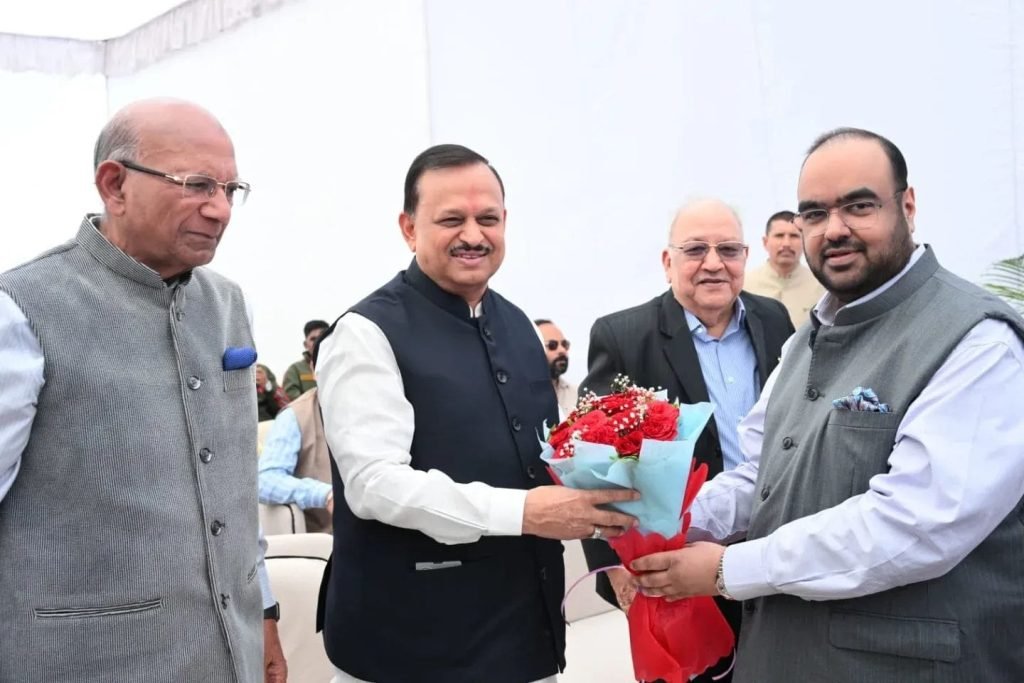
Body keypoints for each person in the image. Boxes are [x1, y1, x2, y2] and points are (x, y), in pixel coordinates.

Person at [629, 129, 1024, 682]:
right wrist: (656, 518)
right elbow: (758, 477)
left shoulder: (977, 341)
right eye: (814, 213)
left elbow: (913, 525)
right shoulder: (805, 340)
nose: (834, 229)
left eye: (858, 206)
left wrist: (726, 568)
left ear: (908, 206)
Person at [315, 143, 639, 683]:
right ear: (409, 228)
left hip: (525, 634)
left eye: (487, 219)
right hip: (408, 646)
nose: (473, 235)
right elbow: (374, 485)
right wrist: (523, 513)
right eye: (451, 220)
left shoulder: (518, 325)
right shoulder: (366, 333)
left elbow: (542, 459)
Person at [0, 99, 285, 682]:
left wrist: (264, 611)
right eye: (198, 185)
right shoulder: (21, 310)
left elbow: (233, 487)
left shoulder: (229, 304)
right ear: (115, 185)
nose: (220, 209)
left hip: (228, 656)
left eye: (231, 189)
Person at [579, 198, 793, 682]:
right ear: (667, 261)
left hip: (771, 555)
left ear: (745, 257)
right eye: (696, 249)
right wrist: (614, 569)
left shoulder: (775, 320)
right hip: (677, 569)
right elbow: (590, 457)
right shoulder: (623, 335)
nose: (714, 263)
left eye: (728, 249)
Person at [259, 353, 333, 532]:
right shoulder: (295, 415)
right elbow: (265, 481)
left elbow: (275, 394)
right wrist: (326, 495)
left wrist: (267, 385)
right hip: (329, 536)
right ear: (314, 368)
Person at [744, 210, 824, 327]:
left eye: (794, 236)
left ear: (804, 240)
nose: (786, 243)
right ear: (765, 242)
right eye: (779, 236)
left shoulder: (821, 286)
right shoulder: (745, 285)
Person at [534, 318, 577, 417]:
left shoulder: (578, 394)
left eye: (564, 344)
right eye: (552, 345)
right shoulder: (517, 394)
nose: (562, 350)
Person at [282, 319, 328, 399]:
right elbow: (295, 401)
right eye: (313, 339)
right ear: (305, 345)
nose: (318, 342)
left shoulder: (342, 365)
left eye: (322, 337)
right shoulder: (295, 370)